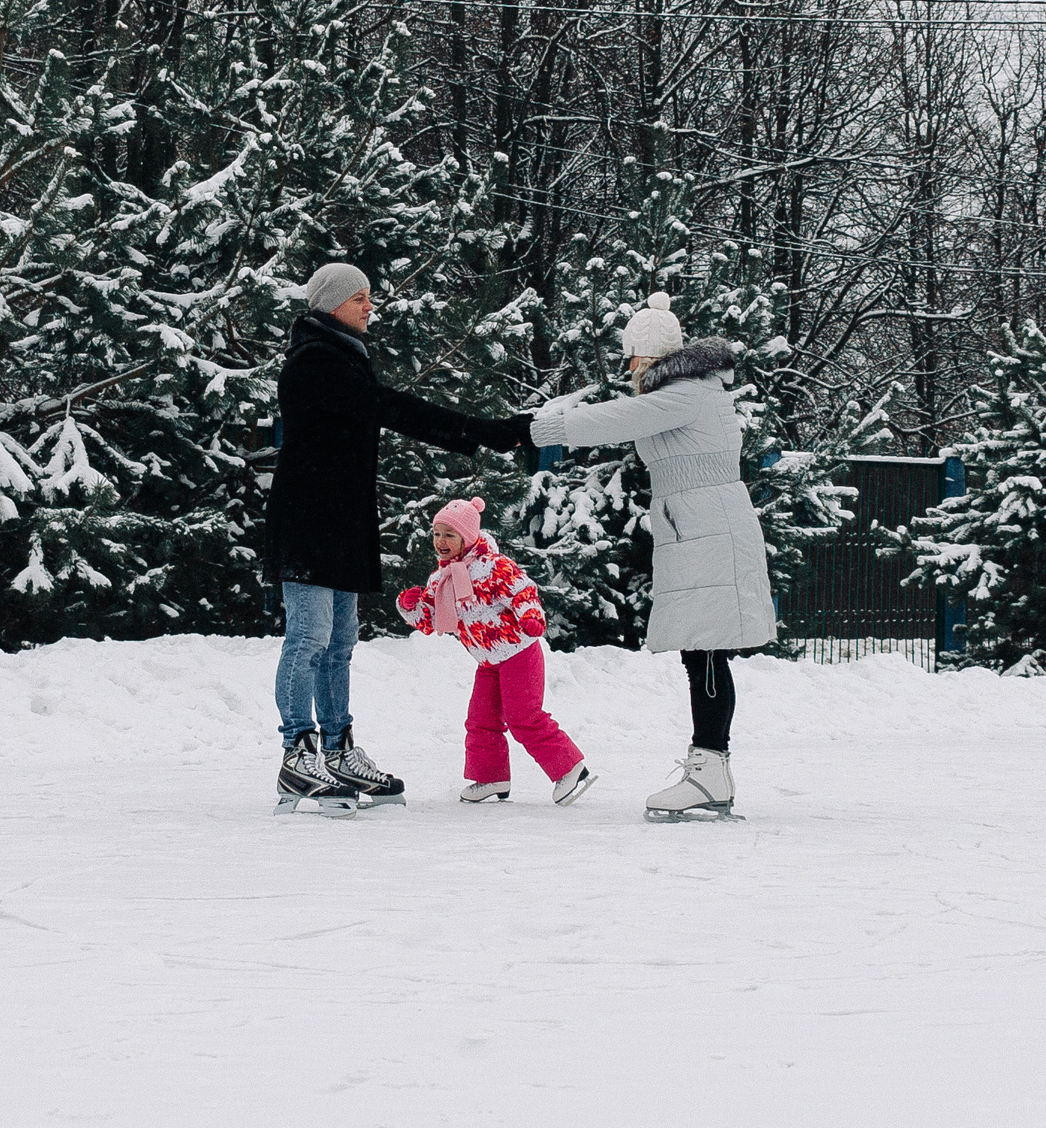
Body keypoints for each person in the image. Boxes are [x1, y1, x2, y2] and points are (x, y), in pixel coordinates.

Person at [264, 263, 530, 814]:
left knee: (338, 646)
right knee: (309, 639)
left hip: (341, 522)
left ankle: (336, 750)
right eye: (358, 297)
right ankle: (297, 753)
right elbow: (391, 408)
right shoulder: (315, 361)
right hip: (309, 520)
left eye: (369, 296)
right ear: (329, 305)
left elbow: (379, 408)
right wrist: (481, 432)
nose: (369, 306)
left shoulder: (344, 357)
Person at [524, 292, 775, 823]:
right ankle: (709, 771)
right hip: (695, 528)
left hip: (710, 530)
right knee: (699, 650)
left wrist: (538, 429)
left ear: (651, 355)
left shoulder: (686, 393)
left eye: (633, 357)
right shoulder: (684, 394)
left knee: (705, 649)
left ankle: (710, 772)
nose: (630, 368)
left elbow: (617, 419)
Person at [397, 496, 594, 807]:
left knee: (523, 717)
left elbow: (522, 590)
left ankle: (570, 768)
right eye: (437, 533)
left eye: (450, 534)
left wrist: (530, 615)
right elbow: (432, 621)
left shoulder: (492, 566)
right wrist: (411, 607)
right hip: (487, 661)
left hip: (519, 651)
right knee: (480, 720)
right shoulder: (440, 579)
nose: (441, 541)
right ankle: (491, 777)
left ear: (469, 535)